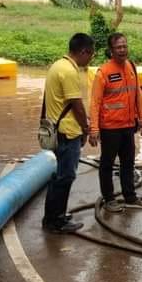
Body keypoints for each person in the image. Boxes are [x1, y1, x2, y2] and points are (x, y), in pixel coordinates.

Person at [89, 32, 142, 213]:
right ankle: (109, 199)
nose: (122, 50)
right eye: (118, 47)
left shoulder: (131, 67)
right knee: (107, 164)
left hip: (128, 126)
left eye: (124, 46)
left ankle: (130, 196)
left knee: (128, 162)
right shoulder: (103, 72)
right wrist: (94, 129)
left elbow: (137, 94)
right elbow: (95, 102)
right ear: (111, 50)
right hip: (110, 128)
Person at [41, 33, 95, 234]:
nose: (90, 59)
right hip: (68, 132)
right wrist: (86, 128)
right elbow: (77, 105)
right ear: (83, 51)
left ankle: (53, 216)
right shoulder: (70, 72)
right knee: (65, 177)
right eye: (91, 55)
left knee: (59, 176)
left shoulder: (57, 66)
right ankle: (56, 221)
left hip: (56, 129)